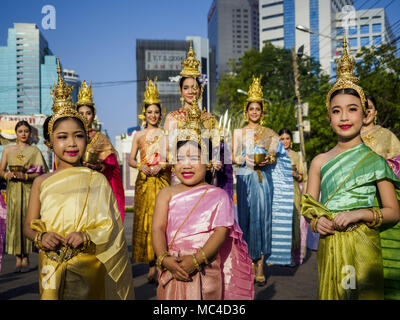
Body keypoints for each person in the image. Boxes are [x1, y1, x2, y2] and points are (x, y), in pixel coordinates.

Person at [23, 58, 134, 300]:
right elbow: (28, 225)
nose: (72, 143)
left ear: (87, 139)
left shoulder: (97, 180)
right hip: (50, 262)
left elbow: (111, 227)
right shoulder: (42, 182)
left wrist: (86, 236)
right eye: (62, 137)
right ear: (49, 142)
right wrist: (43, 237)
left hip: (90, 263)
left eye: (78, 136)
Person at [301, 37, 400, 300]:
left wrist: (359, 214)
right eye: (337, 111)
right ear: (328, 116)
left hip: (364, 244)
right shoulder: (319, 161)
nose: (344, 117)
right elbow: (308, 207)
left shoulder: (376, 161)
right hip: (331, 245)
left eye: (352, 109)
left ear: (365, 115)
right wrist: (316, 222)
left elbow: (393, 212)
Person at [152, 101, 254, 300]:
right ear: (173, 164)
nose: (187, 165)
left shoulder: (218, 195)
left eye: (194, 158)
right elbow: (157, 228)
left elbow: (221, 232)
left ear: (208, 162)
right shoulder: (166, 193)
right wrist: (164, 259)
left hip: (206, 270)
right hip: (172, 266)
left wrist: (197, 260)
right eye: (180, 158)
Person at [233, 76, 294, 286]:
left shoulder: (270, 133)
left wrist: (269, 158)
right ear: (246, 111)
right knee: (246, 220)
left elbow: (276, 156)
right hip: (245, 180)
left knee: (264, 220)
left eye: (258, 109)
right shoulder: (239, 133)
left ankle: (260, 264)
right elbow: (232, 157)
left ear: (262, 112)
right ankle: (247, 261)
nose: (254, 112)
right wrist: (245, 159)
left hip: (264, 180)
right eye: (251, 109)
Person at [163, 41, 230, 196]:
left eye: (195, 88)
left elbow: (215, 148)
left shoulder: (209, 118)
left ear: (201, 90)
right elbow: (166, 149)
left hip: (205, 175)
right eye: (186, 88)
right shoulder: (172, 118)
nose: (191, 91)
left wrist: (215, 161)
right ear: (180, 91)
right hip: (181, 175)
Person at [129, 78, 170, 283]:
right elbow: (129, 159)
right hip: (144, 181)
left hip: (162, 180)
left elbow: (171, 159)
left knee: (162, 220)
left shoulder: (166, 134)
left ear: (160, 114)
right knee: (146, 221)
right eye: (149, 112)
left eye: (156, 112)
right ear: (143, 114)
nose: (153, 115)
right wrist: (140, 165)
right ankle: (150, 264)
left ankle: (162, 260)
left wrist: (161, 166)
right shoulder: (138, 135)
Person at [0, 120, 48, 273]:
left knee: (27, 221)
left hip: (29, 190)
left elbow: (41, 172)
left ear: (30, 133)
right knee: (14, 222)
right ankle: (17, 258)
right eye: (20, 131)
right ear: (16, 133)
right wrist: (8, 174)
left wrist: (25, 176)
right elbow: (1, 170)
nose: (23, 134)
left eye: (26, 131)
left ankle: (26, 257)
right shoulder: (8, 150)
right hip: (13, 191)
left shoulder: (34, 151)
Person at [76, 80, 126, 222]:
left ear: (93, 115)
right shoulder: (72, 137)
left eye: (88, 113)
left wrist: (99, 166)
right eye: (81, 113)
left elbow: (112, 166)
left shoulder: (101, 139)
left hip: (96, 187)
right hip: (75, 185)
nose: (85, 117)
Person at [279, 128, 308, 265]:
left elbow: (303, 175)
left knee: (293, 223)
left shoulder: (296, 155)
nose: (285, 141)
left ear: (291, 140)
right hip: (278, 193)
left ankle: (291, 256)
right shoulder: (274, 155)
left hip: (293, 191)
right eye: (282, 139)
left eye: (287, 138)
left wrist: (296, 175)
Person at [361, 95, 400, 178]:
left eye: (370, 108)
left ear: (375, 112)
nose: (366, 112)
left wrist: (386, 165)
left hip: (384, 181)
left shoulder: (387, 134)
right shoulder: (351, 137)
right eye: (363, 108)